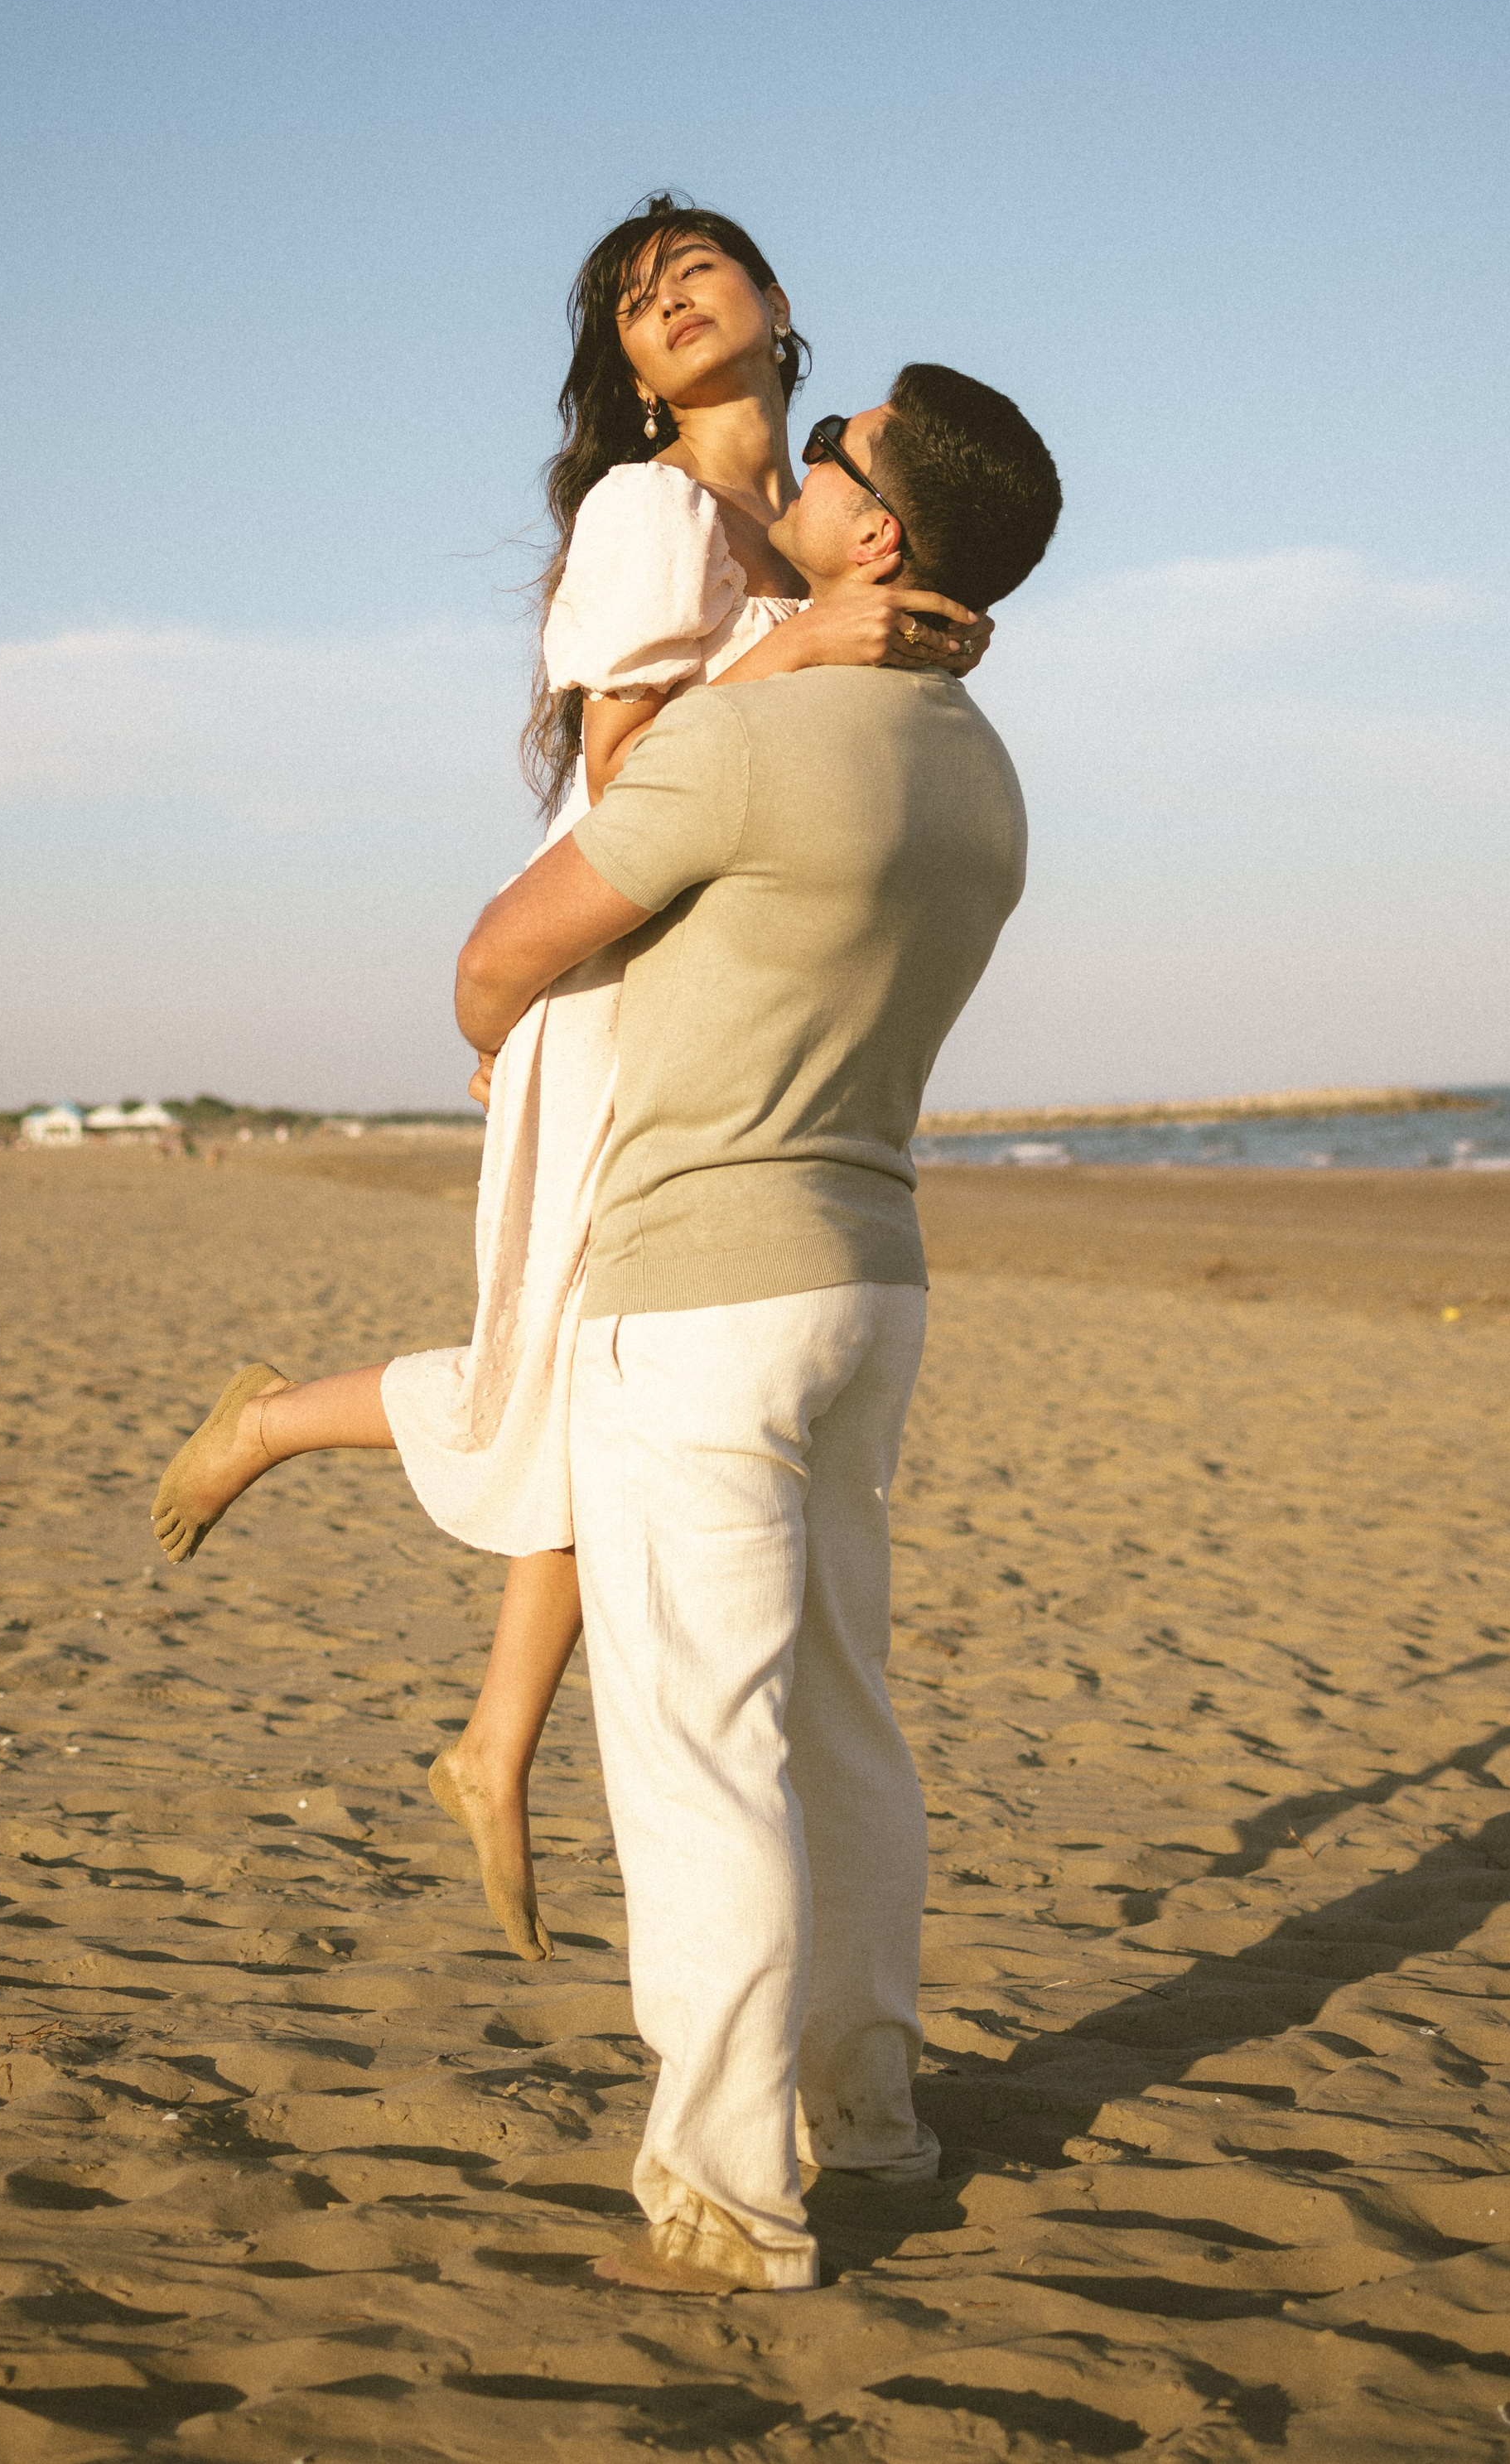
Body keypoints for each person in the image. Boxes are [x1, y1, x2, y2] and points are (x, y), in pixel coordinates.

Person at [149, 200, 987, 1960]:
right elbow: (623, 779)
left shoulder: (812, 527)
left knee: (599, 1385)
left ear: (774, 304)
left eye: (696, 267)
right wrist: (797, 650)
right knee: (581, 1364)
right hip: (610, 969)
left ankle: (485, 1739)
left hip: (713, 981)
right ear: (623, 368)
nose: (666, 297)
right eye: (631, 297)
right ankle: (285, 1435)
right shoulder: (650, 508)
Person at [451, 360, 1061, 2291]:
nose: (797, 465)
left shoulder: (747, 742)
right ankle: (867, 2105)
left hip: (700, 1290)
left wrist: (506, 1051)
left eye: (832, 451)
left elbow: (492, 963)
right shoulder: (982, 773)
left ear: (874, 535)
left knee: (703, 1750)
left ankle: (727, 2178)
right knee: (844, 1729)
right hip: (869, 1275)